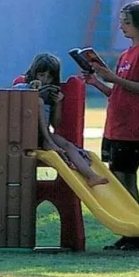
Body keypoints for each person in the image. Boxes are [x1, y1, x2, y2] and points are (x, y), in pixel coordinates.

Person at [85, 1, 139, 250]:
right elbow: (118, 93)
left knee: (126, 180)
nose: (122, 27)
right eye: (121, 22)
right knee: (119, 182)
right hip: (116, 127)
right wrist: (98, 82)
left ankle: (138, 234)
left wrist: (114, 78)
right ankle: (130, 231)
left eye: (127, 22)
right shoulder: (126, 55)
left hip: (133, 129)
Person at [24, 53, 108, 186]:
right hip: (26, 136)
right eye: (41, 75)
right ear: (34, 73)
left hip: (44, 135)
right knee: (39, 101)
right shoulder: (23, 87)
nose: (45, 80)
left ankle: (91, 176)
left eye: (50, 77)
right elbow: (15, 93)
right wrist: (32, 91)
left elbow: (55, 124)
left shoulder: (50, 94)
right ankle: (50, 143)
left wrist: (58, 103)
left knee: (68, 145)